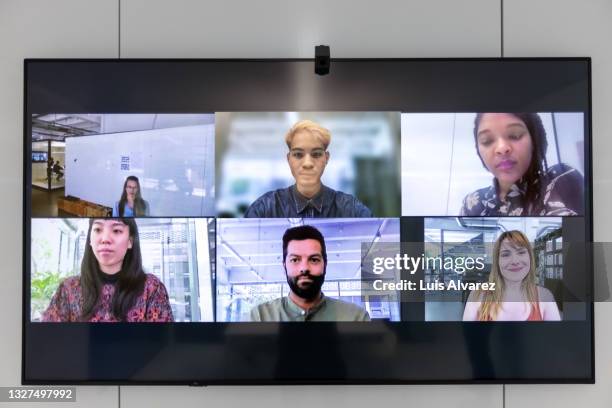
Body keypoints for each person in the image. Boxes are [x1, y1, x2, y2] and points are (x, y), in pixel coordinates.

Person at [42, 218, 173, 322]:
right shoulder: (68, 289)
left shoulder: (151, 288)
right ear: (90, 240)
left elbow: (162, 346)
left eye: (116, 231)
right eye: (98, 229)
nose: (105, 239)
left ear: (130, 241)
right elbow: (50, 343)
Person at [460, 113, 584, 216]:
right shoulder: (472, 204)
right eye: (487, 141)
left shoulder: (561, 179)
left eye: (515, 135)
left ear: (535, 141)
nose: (502, 148)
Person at [244, 120, 373, 217]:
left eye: (316, 154)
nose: (307, 163)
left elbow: (384, 249)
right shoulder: (264, 208)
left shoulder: (351, 209)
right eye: (298, 154)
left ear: (326, 158)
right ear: (289, 159)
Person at [250, 225, 370, 322]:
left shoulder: (356, 318)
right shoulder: (259, 317)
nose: (304, 268)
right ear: (284, 266)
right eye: (295, 260)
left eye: (314, 260)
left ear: (325, 265)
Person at [463, 230, 561, 321]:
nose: (515, 261)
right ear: (497, 261)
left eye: (521, 252)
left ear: (530, 257)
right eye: (505, 255)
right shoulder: (477, 296)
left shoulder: (545, 296)